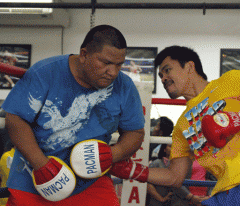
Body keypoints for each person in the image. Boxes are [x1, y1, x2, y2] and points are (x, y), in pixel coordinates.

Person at [1, 25, 145, 205]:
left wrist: (113, 153)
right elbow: (15, 119)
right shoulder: (45, 73)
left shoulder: (124, 86)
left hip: (90, 183)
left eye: (119, 64)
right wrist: (40, 164)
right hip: (34, 180)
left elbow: (135, 132)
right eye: (106, 63)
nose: (113, 72)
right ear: (84, 54)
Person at [138, 45, 240, 205]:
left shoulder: (230, 80)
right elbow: (175, 177)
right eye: (160, 75)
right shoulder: (181, 126)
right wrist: (132, 170)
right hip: (227, 190)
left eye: (167, 70)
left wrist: (236, 121)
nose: (162, 78)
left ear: (190, 66)